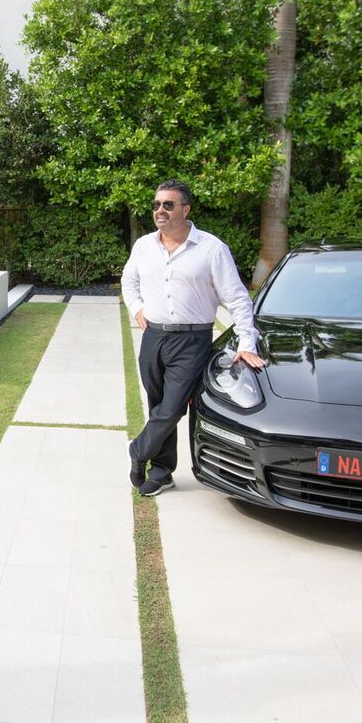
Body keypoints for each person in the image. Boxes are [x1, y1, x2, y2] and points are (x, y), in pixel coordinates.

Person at [121, 180, 265, 496]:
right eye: (156, 204)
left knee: (173, 408)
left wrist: (247, 342)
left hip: (192, 341)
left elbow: (237, 298)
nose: (160, 210)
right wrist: (137, 308)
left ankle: (138, 450)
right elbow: (129, 281)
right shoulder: (143, 246)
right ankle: (162, 473)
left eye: (168, 204)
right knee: (158, 407)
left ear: (185, 209)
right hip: (153, 337)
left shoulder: (212, 249)